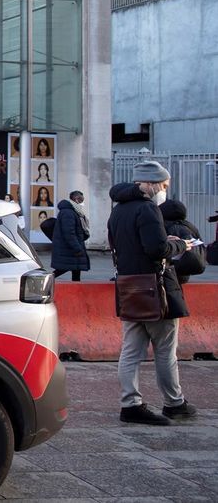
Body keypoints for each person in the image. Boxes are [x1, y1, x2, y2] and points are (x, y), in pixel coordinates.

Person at [108, 161, 195, 425]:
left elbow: (127, 245)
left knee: (131, 351)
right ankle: (174, 403)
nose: (165, 190)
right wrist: (180, 244)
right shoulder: (147, 209)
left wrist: (163, 242)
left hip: (128, 288)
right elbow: (156, 250)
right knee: (166, 351)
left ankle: (130, 404)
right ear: (152, 183)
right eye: (164, 185)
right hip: (156, 290)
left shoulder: (118, 210)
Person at [51, 193, 90, 281]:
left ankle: (77, 289)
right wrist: (77, 248)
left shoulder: (73, 212)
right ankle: (44, 281)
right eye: (81, 201)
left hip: (70, 247)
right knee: (63, 268)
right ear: (76, 199)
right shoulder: (68, 213)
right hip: (69, 248)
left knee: (75, 269)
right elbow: (69, 233)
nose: (82, 204)